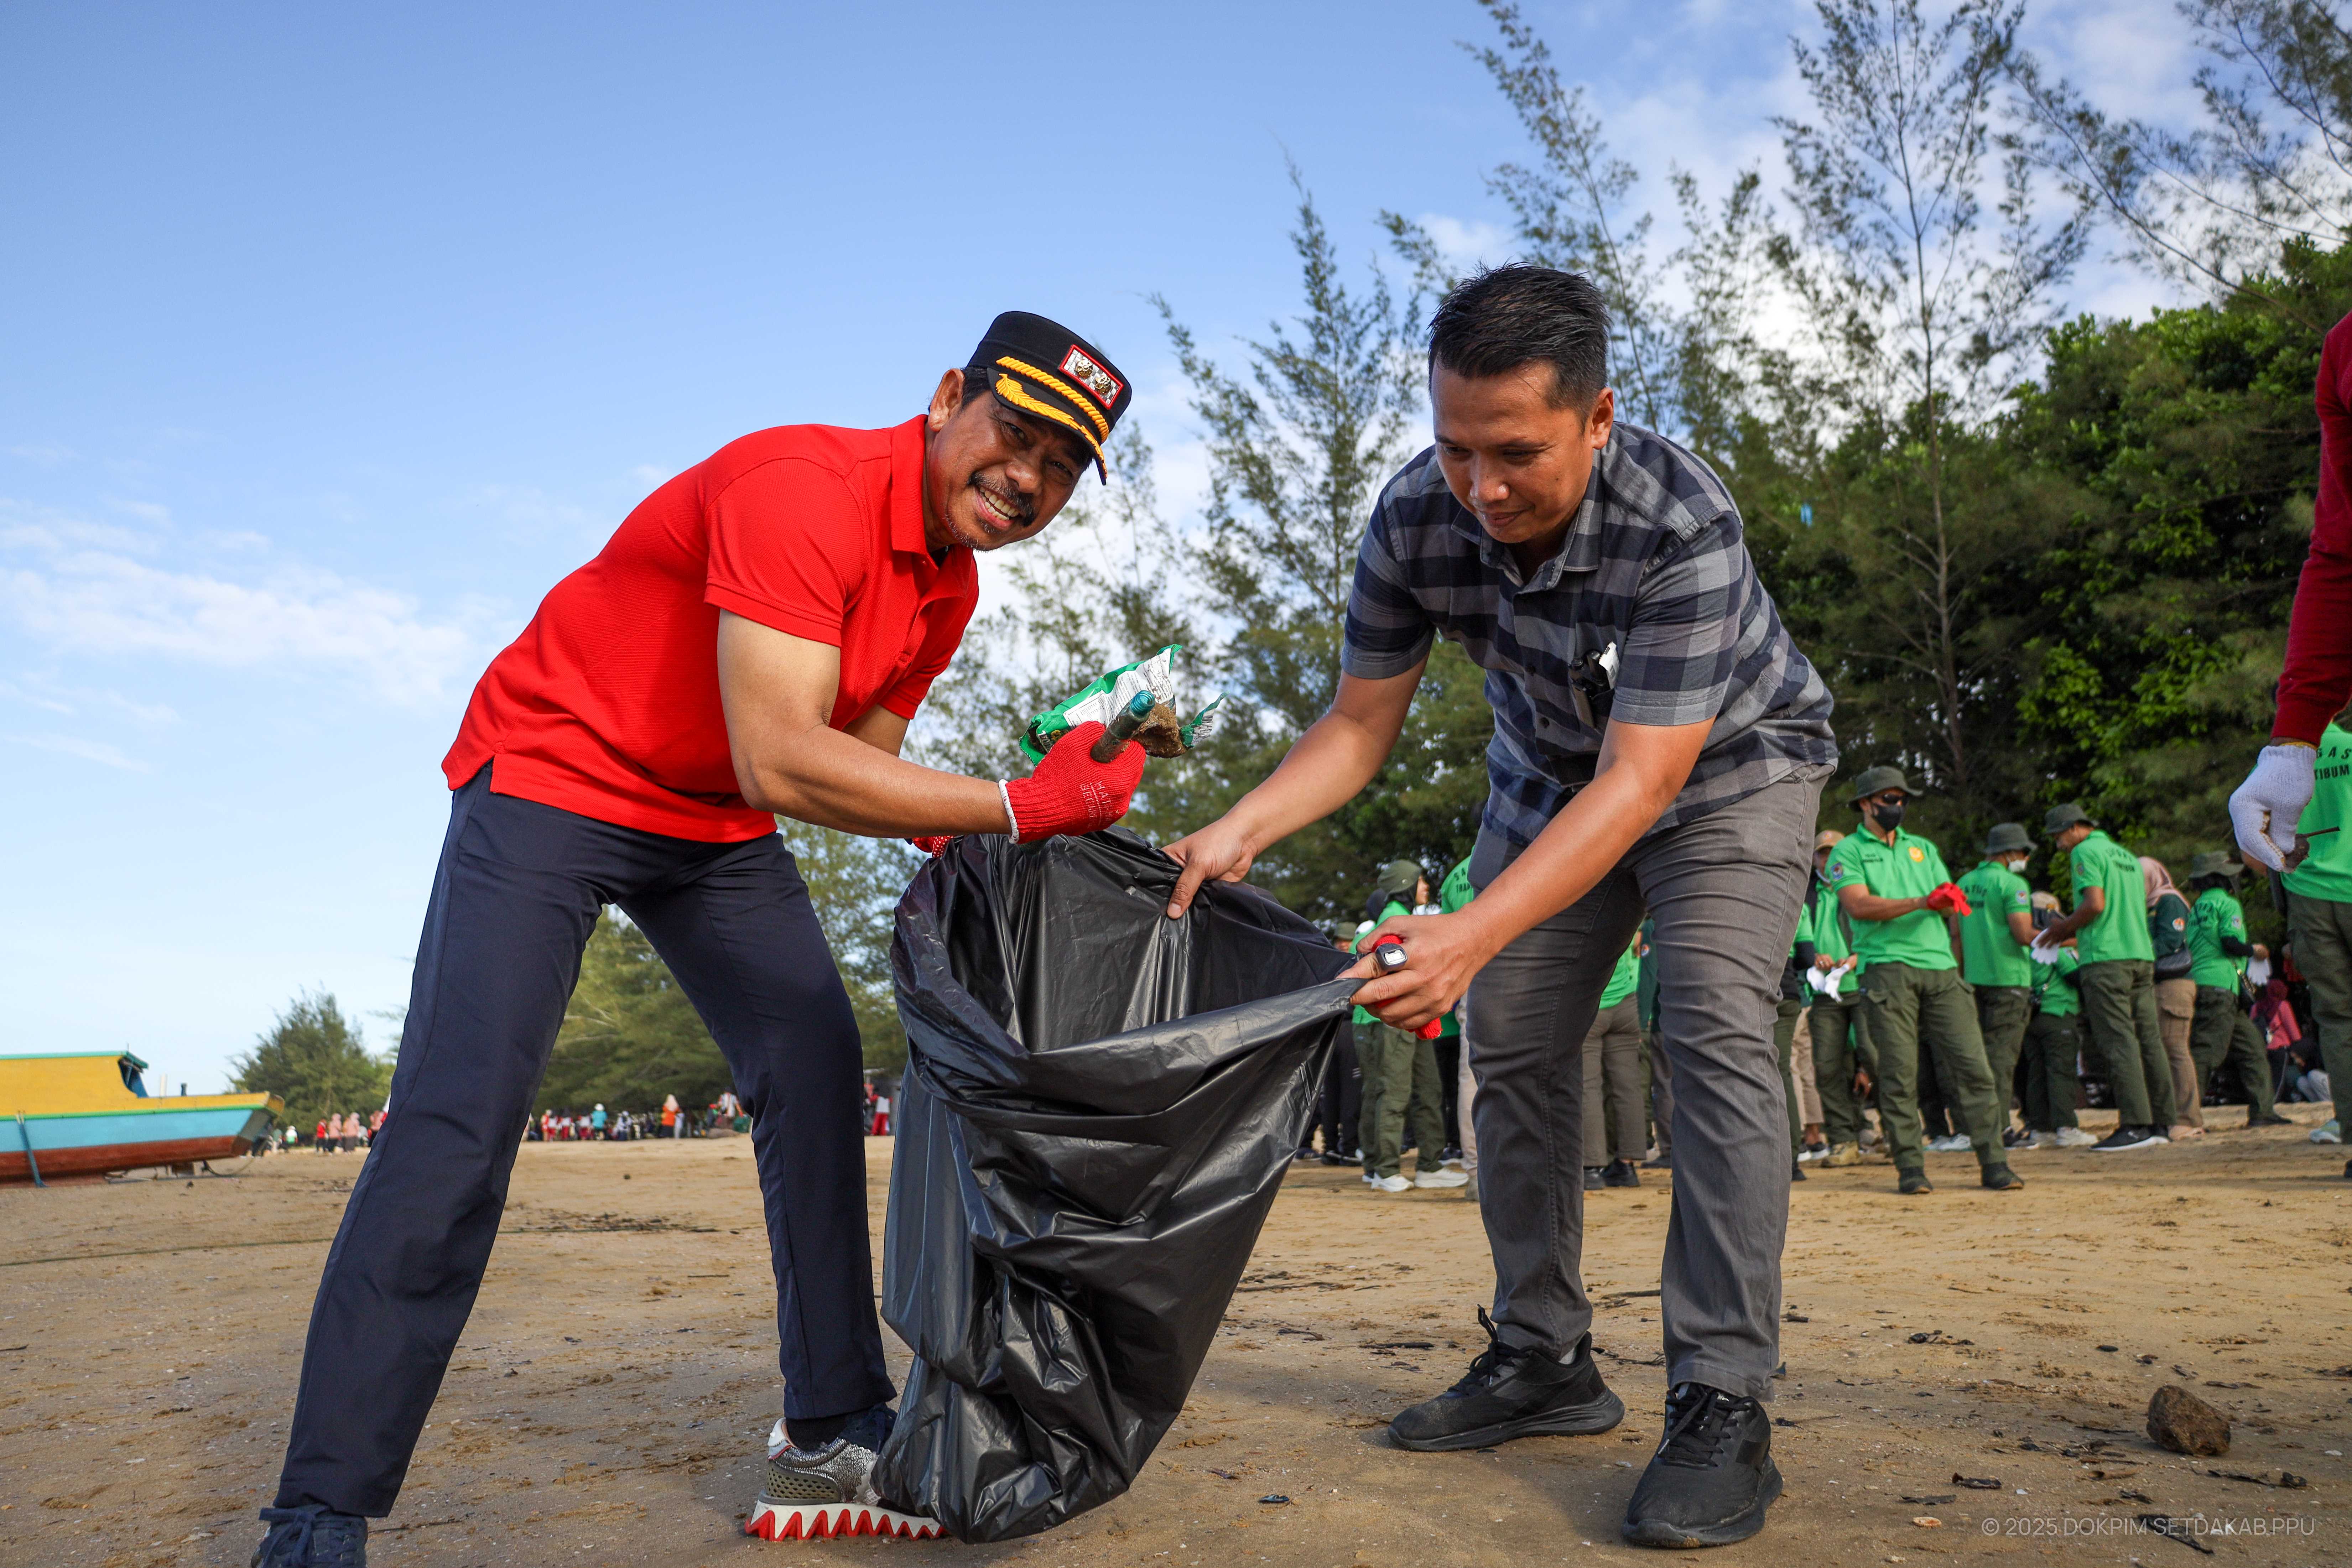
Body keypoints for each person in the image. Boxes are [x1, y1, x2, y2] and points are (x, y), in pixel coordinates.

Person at [250, 312, 1151, 1567]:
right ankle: (319, 1507)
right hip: (556, 774)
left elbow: (864, 772)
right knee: (462, 1119)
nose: (1029, 477)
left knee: (815, 1060)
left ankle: (834, 1410)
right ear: (948, 396)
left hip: (711, 822)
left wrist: (1026, 804)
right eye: (1016, 433)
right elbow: (784, 755)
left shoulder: (948, 588)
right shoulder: (806, 490)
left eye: (1064, 467)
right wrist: (1014, 803)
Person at [1159, 265, 1839, 1547]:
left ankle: (1723, 1396)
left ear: (1597, 419)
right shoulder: (1416, 516)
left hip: (1730, 775)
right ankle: (1543, 1356)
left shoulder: (1679, 514)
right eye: (1455, 446)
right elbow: (1359, 726)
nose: (1481, 487)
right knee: (1514, 1041)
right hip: (1546, 782)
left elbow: (1646, 782)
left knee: (1708, 1028)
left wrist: (1467, 930)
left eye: (1516, 451)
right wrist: (1246, 821)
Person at [1827, 767, 2021, 1196]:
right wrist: (1922, 901)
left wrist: (1949, 903)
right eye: (1887, 799)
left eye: (1901, 799)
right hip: (1886, 968)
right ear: (1864, 804)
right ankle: (1911, 1169)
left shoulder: (1923, 848)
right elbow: (1858, 906)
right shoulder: (1847, 850)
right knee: (1898, 1074)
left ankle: (1995, 1163)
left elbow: (1946, 901)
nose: (1896, 807)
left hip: (1941, 969)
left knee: (1974, 1067)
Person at [2032, 805, 2175, 1151]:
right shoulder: (2124, 855)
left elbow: (2094, 903)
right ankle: (2160, 1122)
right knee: (2148, 1038)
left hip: (2106, 957)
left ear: (2074, 828)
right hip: (2140, 954)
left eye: (2058, 836)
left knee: (2118, 1039)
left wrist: (2062, 928)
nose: (2058, 844)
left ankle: (2134, 1123)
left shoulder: (2085, 851)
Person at [1353, 861, 1464, 1193]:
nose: (1426, 886)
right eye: (1420, 881)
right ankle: (1386, 1171)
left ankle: (1430, 1165)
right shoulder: (1393, 919)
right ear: (1405, 883)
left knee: (1429, 1090)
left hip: (1416, 1019)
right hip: (1397, 1021)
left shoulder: (1406, 917)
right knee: (1395, 1092)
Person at [2183, 851, 2288, 1128]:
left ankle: (2263, 1111)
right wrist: (2256, 950)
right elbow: (2230, 943)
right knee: (2206, 1052)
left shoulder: (2196, 908)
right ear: (2222, 877)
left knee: (2253, 1049)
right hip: (2221, 986)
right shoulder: (2227, 904)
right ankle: (2185, 1116)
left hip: (2203, 984)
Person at [1957, 825, 2038, 1146]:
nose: (2025, 859)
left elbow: (1955, 936)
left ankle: (1972, 1126)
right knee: (2002, 1060)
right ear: (2009, 853)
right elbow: (2023, 933)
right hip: (2010, 981)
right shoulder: (2013, 883)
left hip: (1972, 980)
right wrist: (2066, 938)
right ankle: (2000, 1129)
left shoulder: (1963, 883)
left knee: (1975, 1059)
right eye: (2024, 853)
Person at [1800, 829, 1870, 1168]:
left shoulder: (1862, 882)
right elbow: (1797, 932)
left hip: (1864, 984)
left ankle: (1899, 1135)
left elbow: (1877, 924)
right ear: (1814, 858)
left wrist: (1859, 955)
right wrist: (1811, 955)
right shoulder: (1803, 890)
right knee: (1828, 1067)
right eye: (1822, 853)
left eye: (1834, 852)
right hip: (1825, 991)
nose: (1828, 859)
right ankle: (1845, 1140)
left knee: (1877, 1058)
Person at [2142, 856, 2202, 1140]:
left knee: (2176, 1049)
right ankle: (2168, 1116)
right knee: (2162, 1052)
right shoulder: (2147, 906)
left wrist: (2136, 955)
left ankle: (2187, 1119)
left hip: (2174, 985)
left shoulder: (2169, 902)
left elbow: (2170, 940)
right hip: (2158, 985)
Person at [1581, 938, 1646, 1189]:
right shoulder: (1618, 912)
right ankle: (1626, 1166)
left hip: (1593, 1004)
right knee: (1628, 1086)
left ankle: (1591, 1168)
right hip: (1626, 1001)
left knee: (1589, 1086)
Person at [2021, 929, 2092, 1147]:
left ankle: (2041, 1128)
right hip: (2059, 1014)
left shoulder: (2025, 949)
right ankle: (2067, 1128)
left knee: (2037, 1075)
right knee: (2061, 1073)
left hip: (2033, 1018)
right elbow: (2076, 977)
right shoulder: (2057, 949)